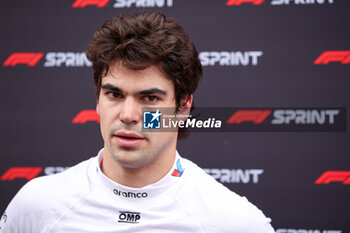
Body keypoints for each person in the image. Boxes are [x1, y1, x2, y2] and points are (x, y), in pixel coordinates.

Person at [0, 11, 275, 233]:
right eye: (114, 94)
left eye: (150, 98)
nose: (129, 115)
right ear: (98, 100)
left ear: (182, 107)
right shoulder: (36, 206)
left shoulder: (235, 223)